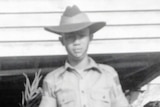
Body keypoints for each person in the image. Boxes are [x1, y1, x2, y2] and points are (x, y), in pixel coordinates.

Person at [39, 5, 129, 107]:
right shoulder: (52, 80)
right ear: (62, 41)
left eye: (81, 36)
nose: (76, 42)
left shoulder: (108, 75)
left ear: (90, 37)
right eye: (70, 37)